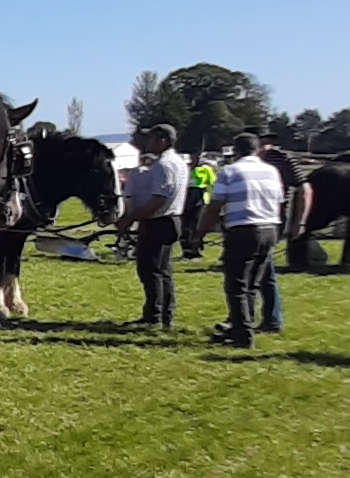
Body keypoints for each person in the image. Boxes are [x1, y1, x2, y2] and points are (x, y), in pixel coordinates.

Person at [204, 133, 284, 351]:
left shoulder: (230, 171)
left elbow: (215, 205)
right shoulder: (272, 171)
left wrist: (199, 232)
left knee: (236, 284)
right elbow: (278, 201)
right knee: (253, 283)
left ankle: (243, 334)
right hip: (270, 228)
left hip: (244, 229)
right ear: (257, 150)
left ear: (235, 151)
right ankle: (242, 325)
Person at [118, 123, 189, 331]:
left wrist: (131, 218)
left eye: (151, 139)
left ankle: (155, 315)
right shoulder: (178, 162)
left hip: (159, 220)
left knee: (151, 270)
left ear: (162, 141)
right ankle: (165, 313)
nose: (147, 143)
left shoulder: (163, 165)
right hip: (171, 219)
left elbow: (159, 199)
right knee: (163, 269)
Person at [254, 132, 306, 334]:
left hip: (270, 220)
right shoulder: (250, 159)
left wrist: (299, 222)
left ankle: (271, 318)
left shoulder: (282, 158)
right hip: (257, 219)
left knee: (262, 270)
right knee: (256, 270)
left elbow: (304, 188)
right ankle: (250, 314)